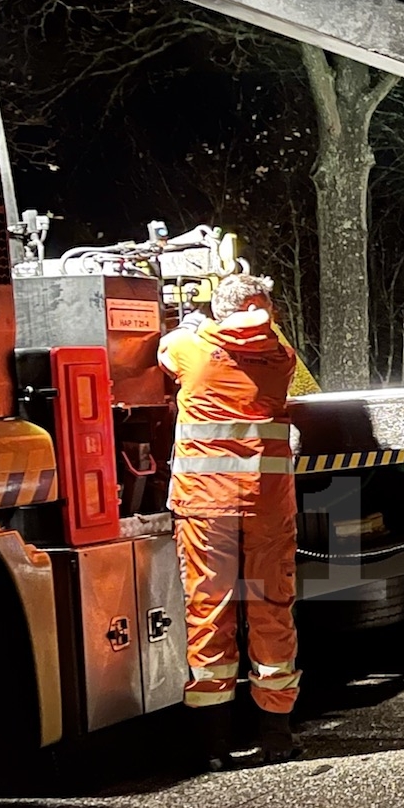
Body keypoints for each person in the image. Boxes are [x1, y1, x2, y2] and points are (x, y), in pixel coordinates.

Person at [158, 272, 302, 766]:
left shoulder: (191, 350)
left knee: (210, 610)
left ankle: (213, 744)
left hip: (206, 506)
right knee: (271, 609)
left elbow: (166, 349)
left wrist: (196, 323)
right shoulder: (282, 358)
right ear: (265, 312)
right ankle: (277, 736)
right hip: (266, 504)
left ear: (221, 311)